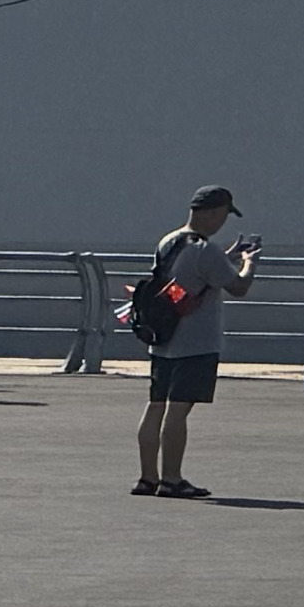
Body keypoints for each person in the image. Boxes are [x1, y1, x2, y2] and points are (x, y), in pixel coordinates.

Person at [127, 186, 258, 501]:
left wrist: (227, 255)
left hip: (162, 337)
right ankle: (172, 479)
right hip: (195, 342)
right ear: (212, 213)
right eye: (224, 215)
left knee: (156, 405)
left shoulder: (170, 241)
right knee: (179, 410)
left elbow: (184, 279)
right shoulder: (205, 250)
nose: (222, 222)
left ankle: (148, 477)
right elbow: (238, 286)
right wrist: (249, 263)